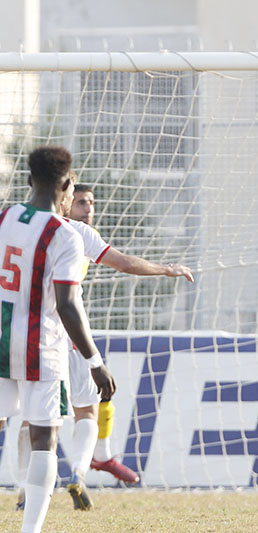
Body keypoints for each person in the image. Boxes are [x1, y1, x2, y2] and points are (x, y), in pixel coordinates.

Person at [15, 183, 194, 510]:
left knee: (30, 418)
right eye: (77, 198)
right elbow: (124, 263)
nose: (85, 205)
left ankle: (26, 492)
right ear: (64, 197)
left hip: (25, 336)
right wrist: (167, 269)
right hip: (67, 336)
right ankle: (80, 473)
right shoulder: (77, 233)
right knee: (86, 410)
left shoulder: (16, 225)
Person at [0, 146, 116, 533]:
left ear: (30, 181)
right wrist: (95, 362)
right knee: (43, 439)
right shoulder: (66, 235)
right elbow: (68, 305)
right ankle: (29, 531)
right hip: (40, 347)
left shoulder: (5, 217)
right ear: (67, 185)